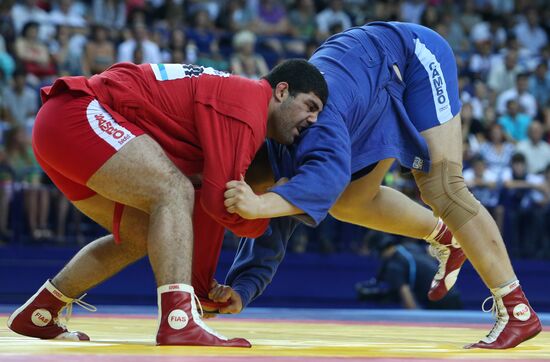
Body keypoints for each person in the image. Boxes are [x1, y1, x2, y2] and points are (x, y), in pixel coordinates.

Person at [222, 22, 542, 349]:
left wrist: (261, 204)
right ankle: (445, 235)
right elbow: (282, 211)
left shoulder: (313, 125)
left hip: (410, 55)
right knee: (348, 203)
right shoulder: (277, 133)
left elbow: (304, 191)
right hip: (367, 81)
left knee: (443, 187)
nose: (257, 201)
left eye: (256, 192)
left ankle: (516, 308)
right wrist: (242, 288)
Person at [7, 60, 327, 347]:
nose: (313, 120)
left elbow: (205, 207)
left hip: (64, 130)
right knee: (174, 189)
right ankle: (178, 321)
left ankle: (41, 312)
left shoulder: (239, 109)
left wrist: (202, 292)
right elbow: (219, 203)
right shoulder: (248, 104)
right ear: (282, 91)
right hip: (77, 113)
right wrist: (269, 205)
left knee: (143, 234)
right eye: (310, 106)